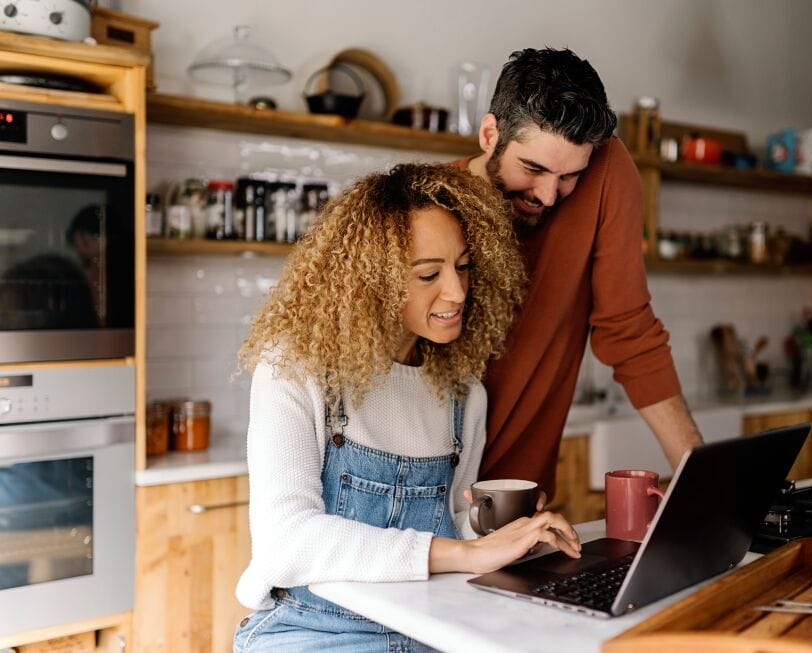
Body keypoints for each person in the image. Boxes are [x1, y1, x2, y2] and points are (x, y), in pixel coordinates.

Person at [232, 164, 580, 652]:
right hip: (315, 631)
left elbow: (446, 525)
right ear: (368, 281)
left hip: (430, 628)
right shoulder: (295, 370)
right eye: (428, 274)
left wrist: (500, 533)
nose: (457, 291)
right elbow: (286, 540)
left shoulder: (463, 395)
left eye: (462, 266)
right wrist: (466, 553)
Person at [455, 48, 704, 500]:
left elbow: (629, 332)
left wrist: (700, 481)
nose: (550, 195)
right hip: (420, 508)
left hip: (522, 505)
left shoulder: (605, 171)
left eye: (570, 175)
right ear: (490, 134)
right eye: (533, 169)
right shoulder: (429, 207)